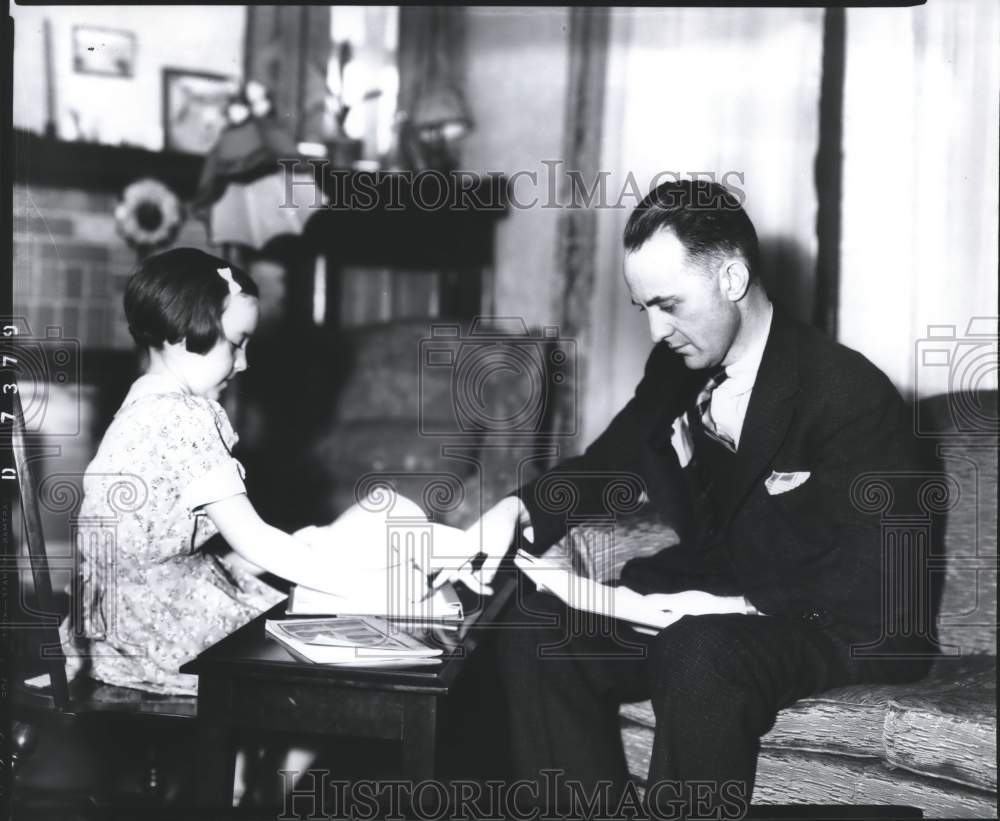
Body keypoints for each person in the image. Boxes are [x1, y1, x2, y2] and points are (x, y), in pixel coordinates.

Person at [454, 180, 933, 817]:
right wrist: (520, 510)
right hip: (703, 599)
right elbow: (610, 461)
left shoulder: (848, 393)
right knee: (534, 627)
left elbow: (878, 586)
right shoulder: (677, 364)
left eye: (669, 304)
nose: (657, 329)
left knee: (699, 648)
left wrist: (730, 605)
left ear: (732, 277)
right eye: (644, 308)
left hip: (831, 621)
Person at [57, 248, 426, 696]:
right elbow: (252, 538)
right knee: (333, 665)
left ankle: (263, 763)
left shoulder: (140, 403)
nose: (245, 363)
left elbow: (152, 544)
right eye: (236, 343)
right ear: (181, 332)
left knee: (309, 550)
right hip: (164, 636)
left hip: (113, 628)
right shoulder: (186, 418)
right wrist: (368, 587)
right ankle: (272, 763)